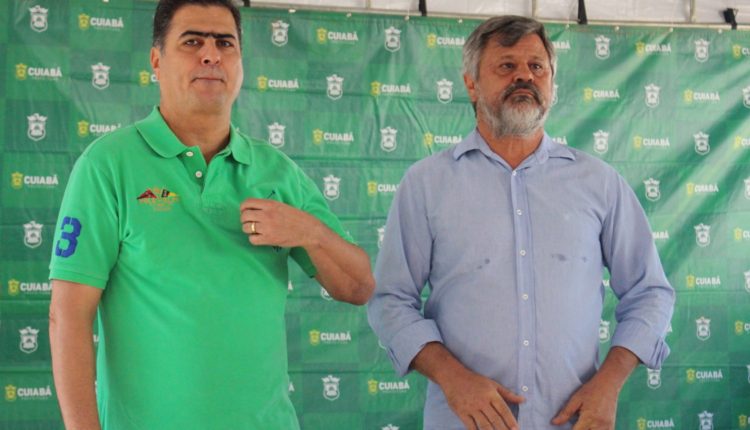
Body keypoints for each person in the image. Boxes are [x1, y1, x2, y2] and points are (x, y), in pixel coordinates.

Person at [48, 1, 374, 428]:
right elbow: (68, 317)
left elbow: (359, 286)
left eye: (225, 43)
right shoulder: (107, 165)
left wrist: (311, 232)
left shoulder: (276, 172)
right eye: (192, 42)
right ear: (156, 61)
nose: (211, 55)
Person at [367, 15, 675, 430]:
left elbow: (650, 293)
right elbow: (390, 301)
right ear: (471, 84)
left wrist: (609, 384)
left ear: (552, 82)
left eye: (537, 67)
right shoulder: (426, 184)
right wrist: (453, 379)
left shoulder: (599, 183)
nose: (524, 77)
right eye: (507, 66)